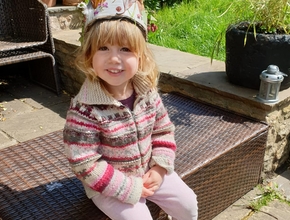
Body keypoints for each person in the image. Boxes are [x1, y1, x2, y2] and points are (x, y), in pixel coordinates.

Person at [63, 0, 198, 219]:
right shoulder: (84, 109)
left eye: (125, 49)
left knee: (188, 204)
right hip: (109, 185)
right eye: (103, 48)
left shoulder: (147, 94)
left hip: (150, 171)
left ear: (141, 57)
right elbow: (83, 161)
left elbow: (163, 131)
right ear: (89, 55)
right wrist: (128, 188)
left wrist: (161, 167)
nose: (114, 58)